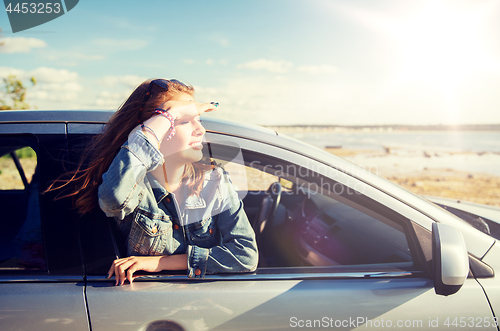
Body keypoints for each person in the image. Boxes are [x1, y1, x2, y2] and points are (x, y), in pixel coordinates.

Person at [50, 79, 258, 285]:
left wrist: (161, 262)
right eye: (185, 121)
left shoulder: (215, 180)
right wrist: (168, 115)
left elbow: (245, 255)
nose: (200, 130)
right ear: (155, 129)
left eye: (198, 120)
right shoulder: (134, 186)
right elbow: (113, 198)